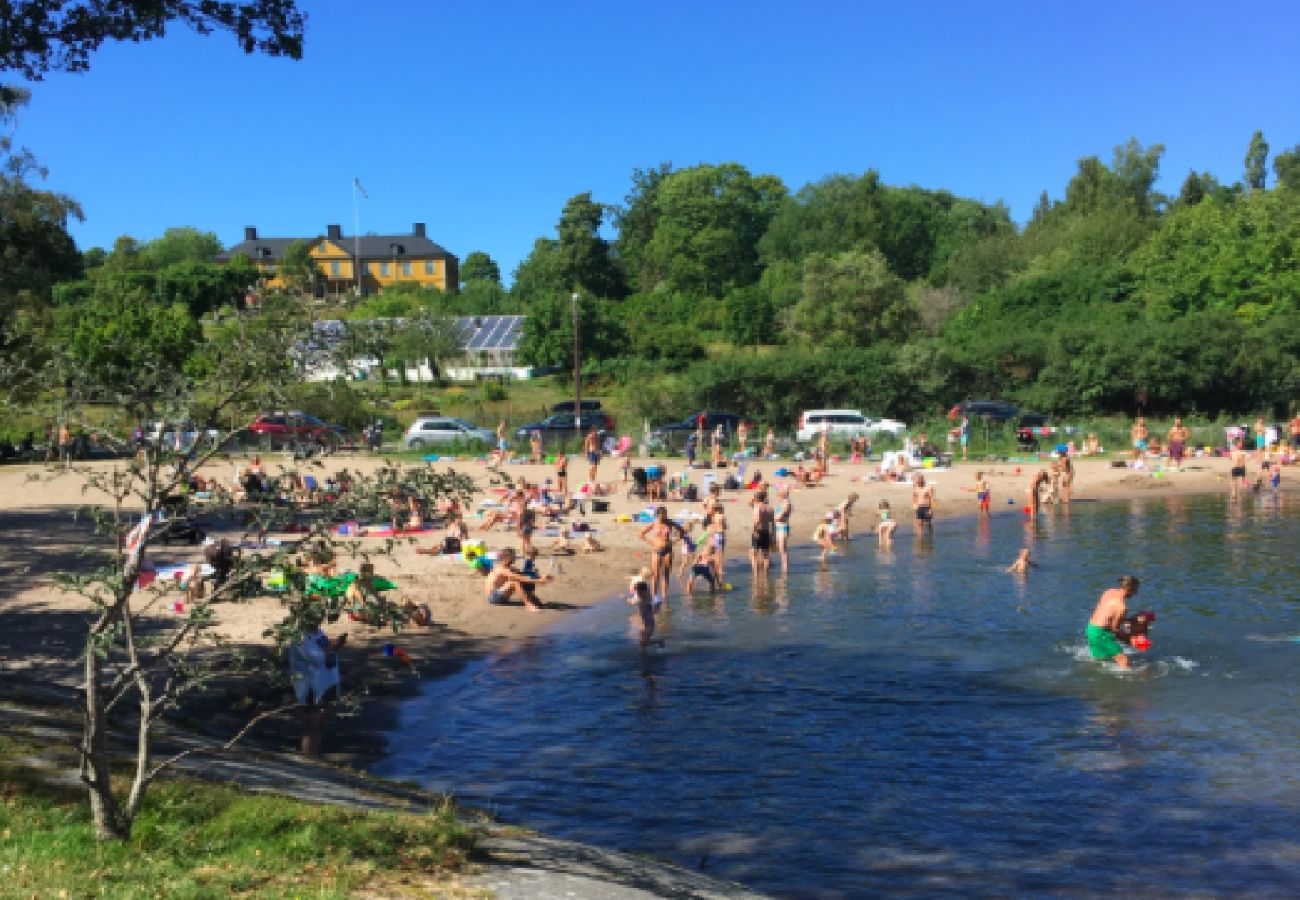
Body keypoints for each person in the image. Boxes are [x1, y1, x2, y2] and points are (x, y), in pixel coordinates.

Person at [289, 612, 346, 757]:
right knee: (312, 727)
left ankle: (314, 756)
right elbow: (316, 657)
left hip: (326, 683)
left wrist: (334, 645)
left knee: (320, 725)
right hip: (310, 686)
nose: (319, 618)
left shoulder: (318, 632)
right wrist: (333, 646)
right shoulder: (300, 637)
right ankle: (308, 758)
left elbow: (323, 650)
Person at [1086, 575, 1141, 669]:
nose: (1136, 593)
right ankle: (1127, 682)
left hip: (1091, 628)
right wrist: (1130, 640)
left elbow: (1106, 612)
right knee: (1124, 661)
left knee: (1100, 659)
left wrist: (1128, 620)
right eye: (1135, 589)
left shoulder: (1109, 592)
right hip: (1101, 633)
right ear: (1129, 589)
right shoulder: (1122, 607)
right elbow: (1114, 630)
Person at [484, 547, 553, 609]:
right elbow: (520, 578)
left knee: (521, 579)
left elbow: (524, 575)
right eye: (513, 557)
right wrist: (539, 581)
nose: (515, 558)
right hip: (493, 597)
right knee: (515, 582)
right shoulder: (501, 569)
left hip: (501, 595)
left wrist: (542, 576)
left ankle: (533, 599)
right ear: (507, 558)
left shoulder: (508, 568)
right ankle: (528, 605)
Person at [639, 506, 680, 604]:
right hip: (657, 550)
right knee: (655, 574)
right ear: (657, 516)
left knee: (665, 574)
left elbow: (682, 531)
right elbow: (641, 534)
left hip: (668, 550)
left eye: (664, 516)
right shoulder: (654, 523)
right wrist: (651, 542)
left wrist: (675, 540)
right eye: (661, 516)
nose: (663, 518)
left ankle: (664, 596)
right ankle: (654, 596)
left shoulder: (670, 523)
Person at [626, 569, 659, 650]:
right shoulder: (641, 599)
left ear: (645, 592)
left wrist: (656, 609)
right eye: (638, 593)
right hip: (645, 625)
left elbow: (658, 600)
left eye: (639, 593)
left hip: (649, 626)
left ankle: (658, 643)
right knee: (642, 643)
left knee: (643, 643)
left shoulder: (647, 599)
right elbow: (632, 601)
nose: (638, 594)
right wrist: (625, 598)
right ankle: (657, 643)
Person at [750, 489, 774, 576]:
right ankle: (766, 575)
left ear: (756, 498)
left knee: (754, 554)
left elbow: (757, 521)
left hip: (758, 531)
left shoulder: (757, 508)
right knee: (766, 555)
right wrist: (773, 535)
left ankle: (755, 575)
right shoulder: (770, 508)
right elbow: (772, 523)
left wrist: (754, 530)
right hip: (766, 531)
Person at [774, 485, 793, 572]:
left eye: (778, 495)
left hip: (783, 526)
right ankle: (784, 566)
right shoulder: (783, 502)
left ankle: (785, 568)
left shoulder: (786, 503)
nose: (777, 496)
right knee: (781, 549)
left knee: (782, 549)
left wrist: (774, 518)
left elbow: (781, 516)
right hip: (779, 526)